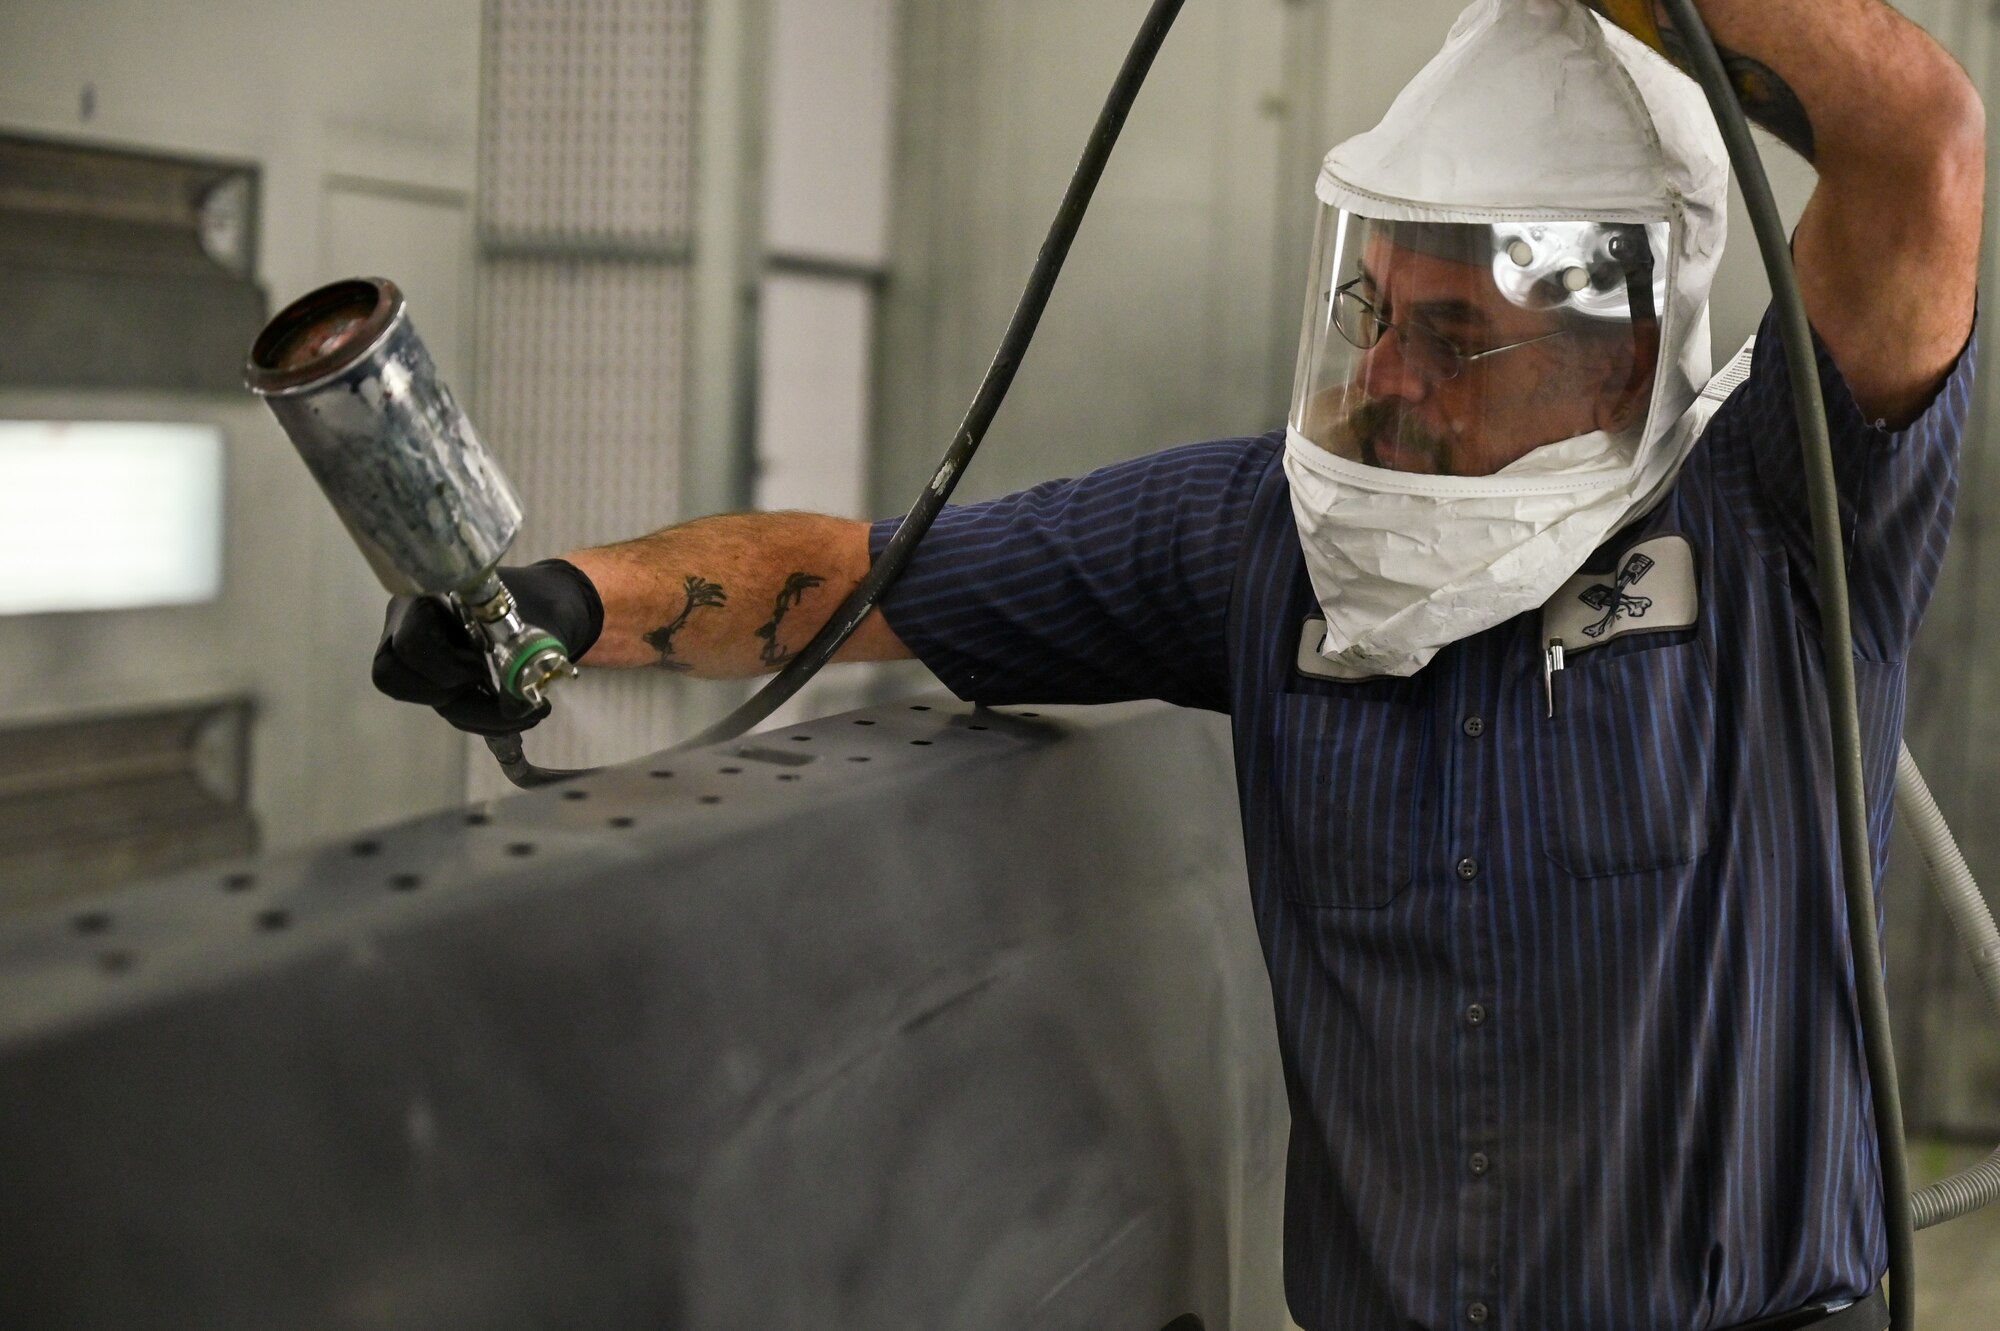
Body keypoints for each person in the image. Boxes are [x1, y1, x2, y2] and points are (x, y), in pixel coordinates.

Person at [372, 0, 1982, 1326]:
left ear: (1618, 349)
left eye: (1455, 334)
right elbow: (850, 580)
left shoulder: (1783, 521)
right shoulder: (1265, 540)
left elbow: (1916, 135)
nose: (1395, 378)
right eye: (1375, 313)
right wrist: (570, 606)